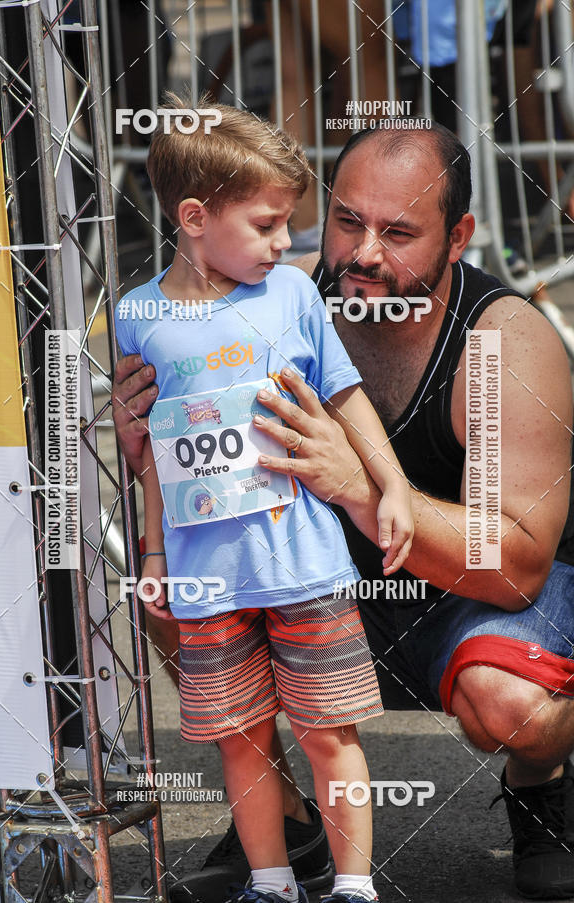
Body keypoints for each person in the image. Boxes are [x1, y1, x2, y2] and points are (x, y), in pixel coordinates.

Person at [113, 121, 574, 901]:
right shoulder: (270, 297)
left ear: (458, 236)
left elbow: (517, 559)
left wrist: (358, 483)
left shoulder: (499, 344)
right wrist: (154, 444)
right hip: (317, 578)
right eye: (348, 220)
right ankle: (288, 821)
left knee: (513, 705)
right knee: (181, 594)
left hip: (474, 599)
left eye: (398, 232)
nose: (363, 253)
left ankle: (544, 786)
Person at [114, 97, 415, 903]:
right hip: (207, 577)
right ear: (193, 219)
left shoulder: (291, 295)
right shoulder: (139, 316)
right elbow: (154, 455)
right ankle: (273, 881)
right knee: (241, 742)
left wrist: (391, 487)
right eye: (267, 223)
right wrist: (150, 552)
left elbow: (345, 396)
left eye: (290, 223)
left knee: (328, 733)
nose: (287, 242)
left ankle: (354, 886)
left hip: (304, 564)